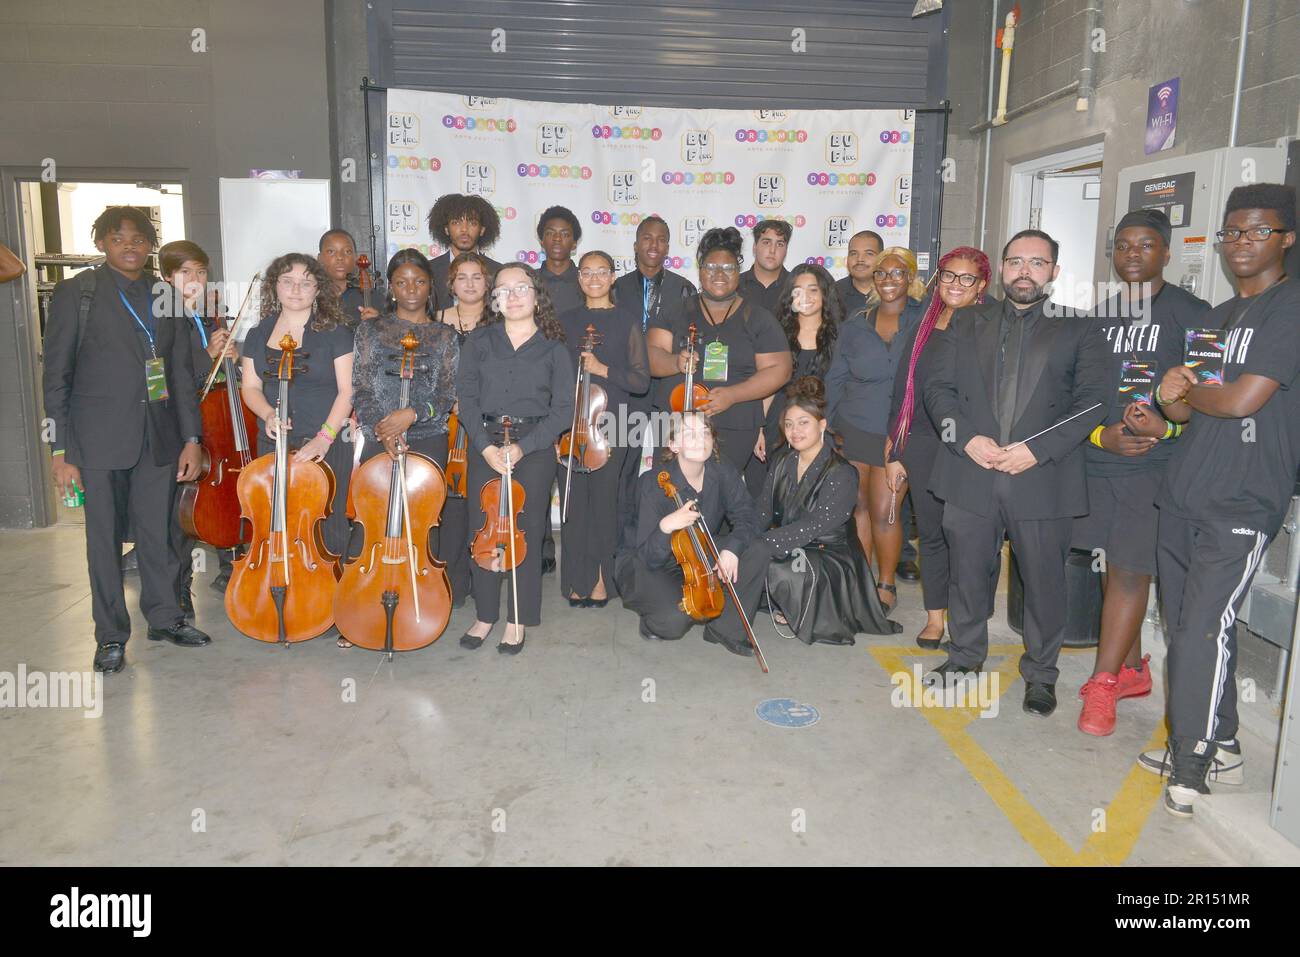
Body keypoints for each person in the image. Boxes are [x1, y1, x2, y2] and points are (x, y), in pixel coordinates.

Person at [1136, 184, 1298, 818]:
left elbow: (1239, 400)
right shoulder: (1212, 317)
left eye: (1258, 231)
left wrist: (1191, 388)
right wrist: (1175, 389)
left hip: (1241, 500)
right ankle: (1220, 740)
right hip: (1183, 493)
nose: (1241, 244)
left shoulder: (1289, 310)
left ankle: (1194, 762)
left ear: (1286, 238)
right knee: (1189, 629)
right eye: (1232, 232)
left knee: (1207, 626)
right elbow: (1177, 406)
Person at [923, 229, 1110, 717]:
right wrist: (963, 437)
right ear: (1002, 270)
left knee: (1045, 582)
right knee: (967, 574)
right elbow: (936, 390)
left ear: (1054, 272)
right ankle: (964, 658)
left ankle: (1042, 675)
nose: (1025, 270)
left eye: (1037, 262)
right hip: (972, 470)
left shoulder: (1081, 329)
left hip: (1042, 477)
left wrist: (1037, 450)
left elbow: (1094, 402)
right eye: (1015, 261)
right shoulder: (963, 322)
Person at [43, 206, 209, 674]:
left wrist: (191, 438)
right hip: (95, 442)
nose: (130, 247)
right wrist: (60, 451)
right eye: (119, 239)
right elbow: (56, 376)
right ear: (101, 244)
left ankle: (165, 617)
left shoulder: (165, 296)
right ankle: (111, 635)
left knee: (158, 534)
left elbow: (177, 374)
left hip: (159, 438)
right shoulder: (78, 294)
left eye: (139, 239)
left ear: (151, 245)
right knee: (103, 541)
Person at [1073, 209, 1209, 737]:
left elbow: (1211, 399)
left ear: (1167, 252)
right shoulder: (1096, 316)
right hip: (1102, 458)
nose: (1133, 254)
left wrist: (1166, 428)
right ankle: (1131, 670)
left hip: (1157, 465)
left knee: (1131, 569)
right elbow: (1079, 396)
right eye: (1124, 245)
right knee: (1113, 565)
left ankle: (1103, 685)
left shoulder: (1197, 314)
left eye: (1146, 245)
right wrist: (1100, 434)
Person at [720, 377, 900, 647]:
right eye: (789, 424)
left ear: (822, 425)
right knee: (733, 548)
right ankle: (737, 617)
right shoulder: (782, 461)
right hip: (791, 542)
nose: (795, 431)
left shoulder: (842, 472)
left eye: (804, 423)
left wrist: (764, 544)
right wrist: (737, 542)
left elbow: (816, 525)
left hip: (828, 555)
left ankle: (741, 625)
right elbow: (761, 513)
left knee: (771, 562)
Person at [456, 264, 574, 653]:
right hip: (484, 443)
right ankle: (485, 614)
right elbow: (467, 400)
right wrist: (487, 448)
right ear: (495, 300)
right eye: (504, 290)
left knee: (524, 529)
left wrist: (524, 446)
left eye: (522, 287)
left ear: (536, 296)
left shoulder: (555, 350)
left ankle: (518, 618)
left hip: (534, 446)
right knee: (483, 529)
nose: (514, 295)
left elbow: (562, 411)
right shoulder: (479, 342)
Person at [350, 248, 463, 629]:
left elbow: (446, 395)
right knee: (372, 523)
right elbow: (361, 388)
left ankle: (420, 606)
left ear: (431, 286)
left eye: (419, 280)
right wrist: (381, 429)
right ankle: (359, 610)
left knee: (421, 524)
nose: (411, 288)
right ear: (391, 287)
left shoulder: (445, 336)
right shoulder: (369, 331)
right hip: (377, 436)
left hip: (428, 439)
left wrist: (412, 414)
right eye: (402, 282)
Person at [885, 247, 991, 648]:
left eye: (966, 278)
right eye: (948, 276)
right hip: (922, 443)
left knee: (967, 537)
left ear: (982, 284)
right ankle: (935, 619)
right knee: (931, 533)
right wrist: (895, 449)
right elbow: (902, 390)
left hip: (970, 446)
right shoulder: (923, 325)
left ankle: (969, 620)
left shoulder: (991, 325)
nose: (955, 285)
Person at [647, 226, 792, 496]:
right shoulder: (676, 310)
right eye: (711, 266)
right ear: (700, 269)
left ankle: (719, 540)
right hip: (678, 419)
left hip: (735, 423)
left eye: (727, 267)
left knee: (719, 495)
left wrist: (733, 395)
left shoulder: (757, 317)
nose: (719, 274)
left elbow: (780, 370)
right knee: (673, 493)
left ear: (739, 270)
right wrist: (675, 362)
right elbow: (651, 355)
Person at [825, 246, 927, 612]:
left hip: (898, 434)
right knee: (858, 508)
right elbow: (836, 378)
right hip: (853, 428)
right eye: (882, 273)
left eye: (897, 273)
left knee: (887, 510)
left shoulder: (926, 320)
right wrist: (828, 427)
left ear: (910, 278)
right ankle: (860, 581)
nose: (888, 280)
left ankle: (886, 583)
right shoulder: (856, 323)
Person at [239, 254, 355, 566]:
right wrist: (266, 414)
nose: (296, 289)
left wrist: (324, 438)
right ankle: (288, 597)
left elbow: (348, 390)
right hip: (275, 441)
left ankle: (330, 604)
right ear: (274, 287)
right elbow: (249, 387)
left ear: (318, 290)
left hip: (327, 442)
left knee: (328, 522)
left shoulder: (336, 332)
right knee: (280, 520)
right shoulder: (257, 334)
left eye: (306, 282)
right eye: (287, 281)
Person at [615, 411, 759, 657]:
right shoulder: (653, 483)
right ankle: (652, 613)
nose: (699, 439)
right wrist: (666, 526)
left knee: (757, 549)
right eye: (689, 434)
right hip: (649, 563)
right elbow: (647, 557)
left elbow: (747, 515)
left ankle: (724, 629)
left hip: (697, 554)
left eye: (705, 433)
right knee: (673, 622)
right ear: (674, 444)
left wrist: (731, 549)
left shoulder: (723, 470)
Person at [556, 251, 650, 606]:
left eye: (602, 272)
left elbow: (640, 381)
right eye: (587, 272)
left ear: (613, 277)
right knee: (573, 506)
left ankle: (600, 580)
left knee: (605, 507)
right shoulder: (564, 322)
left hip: (613, 425)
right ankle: (575, 580)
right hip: (571, 427)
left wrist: (602, 368)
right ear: (579, 279)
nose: (594, 278)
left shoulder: (627, 321)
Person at [157, 239, 242, 609]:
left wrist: (230, 360)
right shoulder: (162, 319)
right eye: (185, 271)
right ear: (166, 276)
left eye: (201, 271)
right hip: (175, 432)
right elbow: (165, 383)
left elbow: (215, 385)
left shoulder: (202, 316)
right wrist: (209, 355)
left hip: (209, 429)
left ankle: (231, 569)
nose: (195, 279)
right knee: (178, 521)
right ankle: (176, 596)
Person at [612, 216, 697, 546]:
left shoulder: (684, 288)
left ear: (668, 247)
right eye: (647, 238)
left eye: (661, 239)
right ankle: (621, 543)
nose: (653, 245)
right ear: (635, 245)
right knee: (624, 465)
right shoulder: (616, 288)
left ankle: (664, 541)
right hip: (628, 392)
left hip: (667, 390)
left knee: (668, 464)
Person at [435, 251, 494, 601]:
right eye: (462, 277)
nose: (469, 283)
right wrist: (449, 402)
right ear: (451, 283)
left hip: (485, 422)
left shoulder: (501, 321)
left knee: (483, 500)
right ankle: (451, 581)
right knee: (449, 503)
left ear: (487, 282)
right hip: (443, 422)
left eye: (477, 277)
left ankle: (483, 576)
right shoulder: (436, 320)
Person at [761, 263, 841, 466]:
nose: (805, 297)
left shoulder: (841, 336)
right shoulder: (775, 333)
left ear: (824, 294)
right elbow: (766, 386)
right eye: (798, 291)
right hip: (780, 427)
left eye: (813, 290)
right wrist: (758, 428)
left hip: (825, 427)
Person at [426, 193, 502, 310]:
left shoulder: (498, 272)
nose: (464, 229)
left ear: (482, 230)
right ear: (446, 229)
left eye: (472, 223)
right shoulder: (429, 271)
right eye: (456, 222)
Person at [319, 229, 380, 327]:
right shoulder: (310, 296)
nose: (340, 257)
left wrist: (379, 323)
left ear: (355, 258)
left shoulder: (376, 299)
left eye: (347, 251)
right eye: (331, 251)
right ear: (320, 258)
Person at [738, 219, 792, 316]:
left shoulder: (795, 287)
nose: (772, 250)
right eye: (766, 243)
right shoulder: (735, 286)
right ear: (754, 247)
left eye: (780, 244)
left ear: (786, 250)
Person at [537, 206, 584, 316]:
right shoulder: (528, 281)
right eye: (550, 233)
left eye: (565, 234)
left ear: (574, 244)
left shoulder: (587, 282)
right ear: (541, 241)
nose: (557, 238)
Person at [834, 230, 883, 321]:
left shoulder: (892, 293)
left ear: (881, 258)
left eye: (869, 253)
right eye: (853, 253)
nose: (860, 259)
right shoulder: (833, 294)